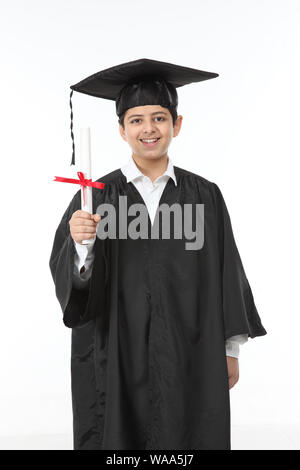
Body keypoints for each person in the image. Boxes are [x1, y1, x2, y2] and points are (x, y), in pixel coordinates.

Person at [49, 59, 267, 450]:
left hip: (190, 349)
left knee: (188, 433)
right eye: (136, 120)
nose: (148, 128)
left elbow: (226, 272)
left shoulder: (204, 196)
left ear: (176, 125)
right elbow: (75, 284)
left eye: (159, 118)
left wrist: (230, 350)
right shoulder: (97, 196)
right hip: (115, 350)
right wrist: (82, 243)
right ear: (122, 130)